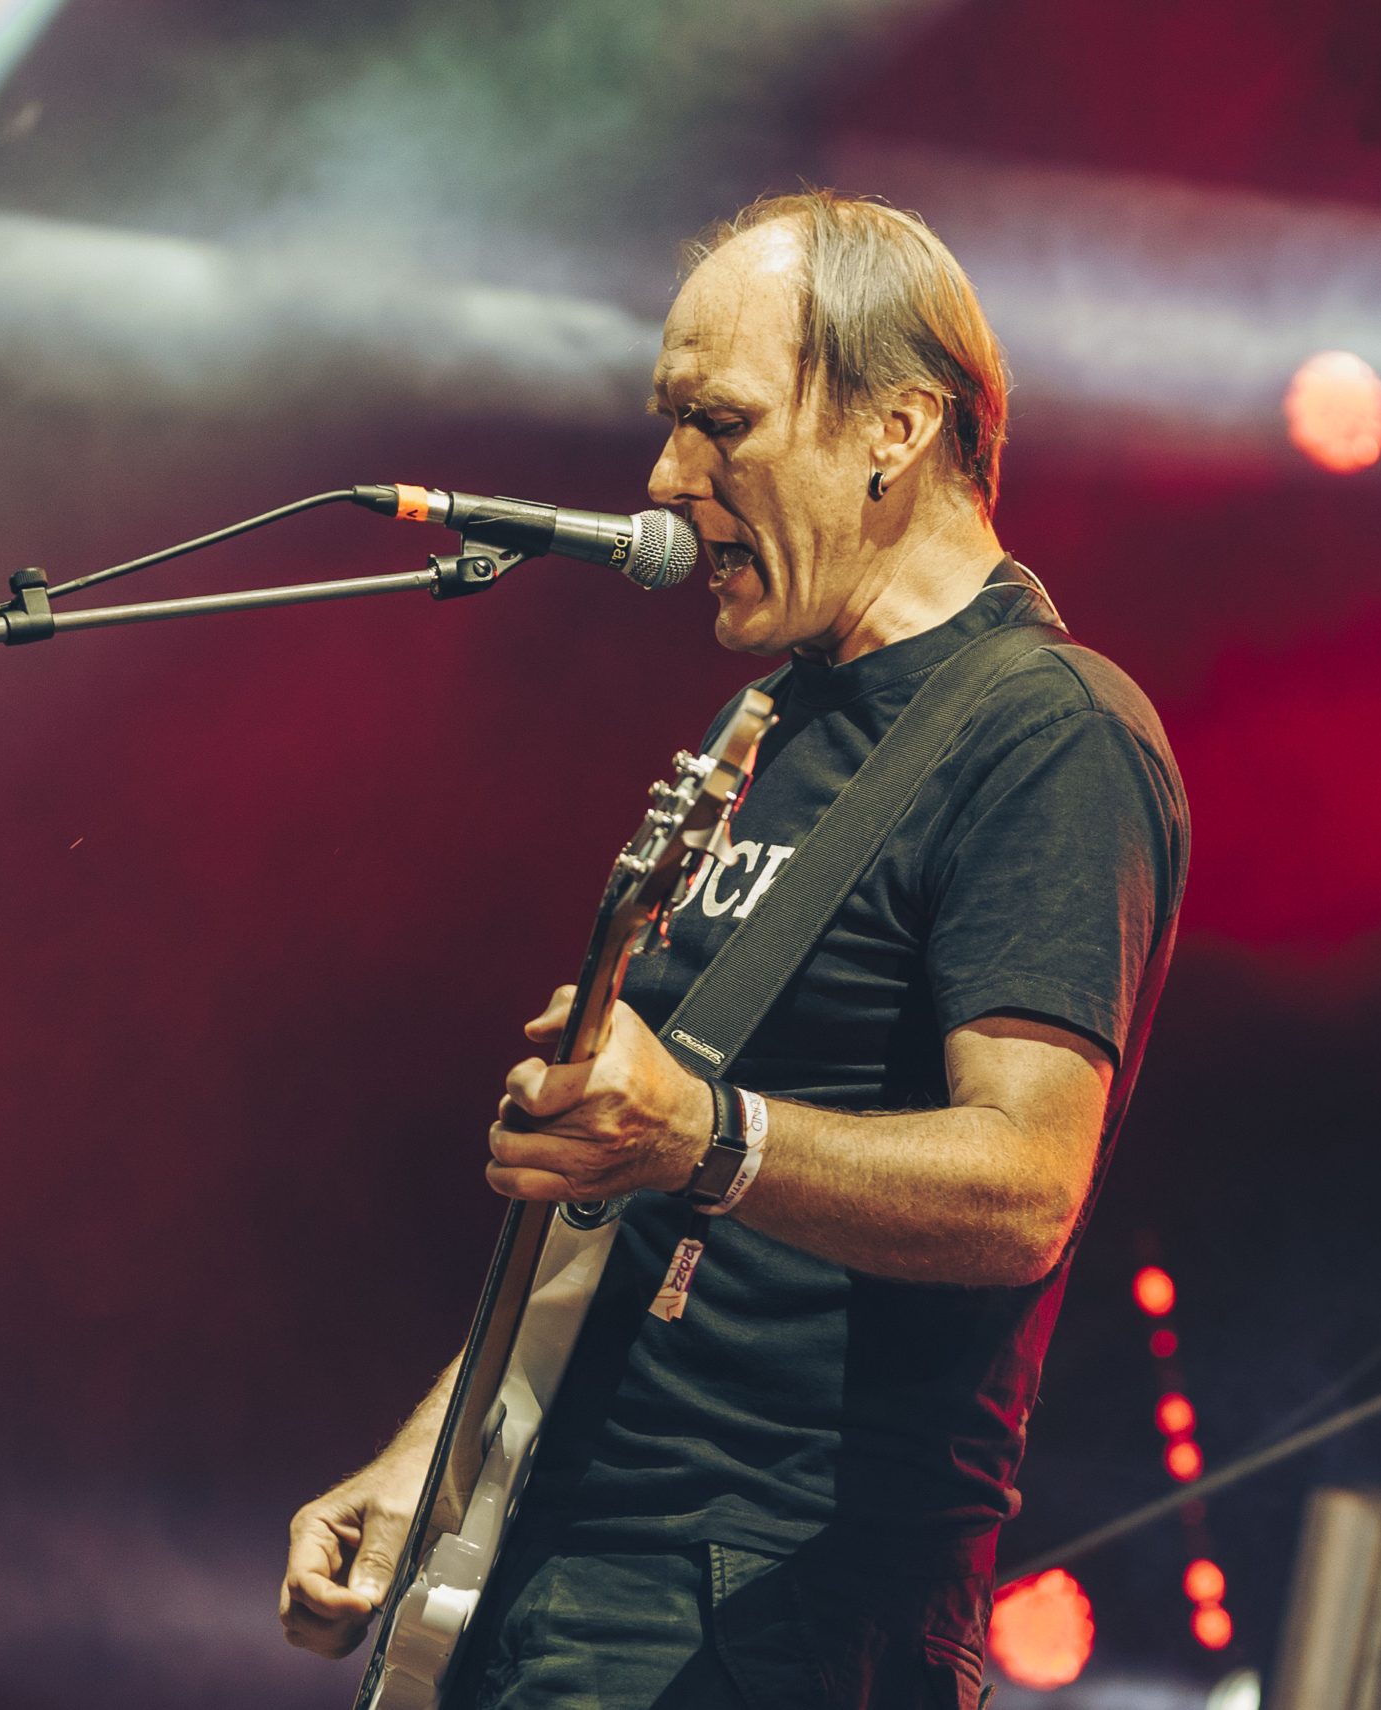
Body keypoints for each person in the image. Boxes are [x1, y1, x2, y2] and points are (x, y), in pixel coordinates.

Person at [280, 189, 1190, 1709]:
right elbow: (621, 1191)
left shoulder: (1051, 733)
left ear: (896, 427)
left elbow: (1030, 1187)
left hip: (770, 1606)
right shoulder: (769, 721)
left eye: (721, 423)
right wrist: (439, 1455)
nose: (666, 476)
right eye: (669, 423)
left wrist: (704, 1131)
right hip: (562, 1563)